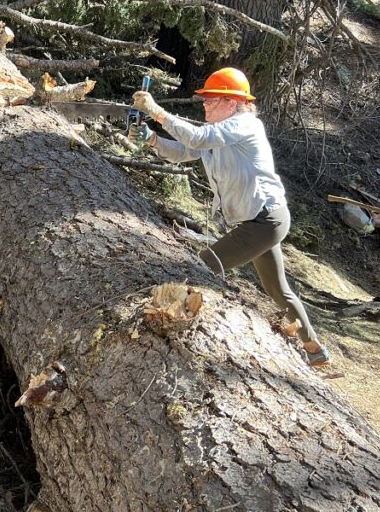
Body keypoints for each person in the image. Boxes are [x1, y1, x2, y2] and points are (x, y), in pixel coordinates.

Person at [130, 68, 330, 367]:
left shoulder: (245, 124)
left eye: (212, 100)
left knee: (201, 266)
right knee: (278, 290)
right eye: (206, 100)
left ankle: (172, 327)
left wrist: (156, 112)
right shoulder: (220, 133)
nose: (205, 105)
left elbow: (196, 138)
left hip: (265, 221)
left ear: (233, 103)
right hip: (258, 222)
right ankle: (315, 349)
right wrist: (152, 140)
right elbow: (185, 150)